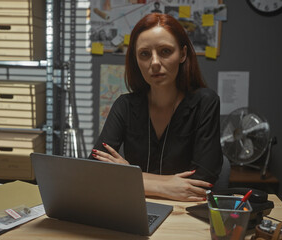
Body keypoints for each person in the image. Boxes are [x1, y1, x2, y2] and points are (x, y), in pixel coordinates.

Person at [90, 13, 223, 202]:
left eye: (165, 51)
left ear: (183, 54)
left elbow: (202, 183)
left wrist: (128, 175)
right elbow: (95, 169)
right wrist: (166, 186)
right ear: (136, 60)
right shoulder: (125, 105)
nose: (154, 63)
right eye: (145, 54)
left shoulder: (205, 102)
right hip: (134, 210)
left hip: (185, 217)